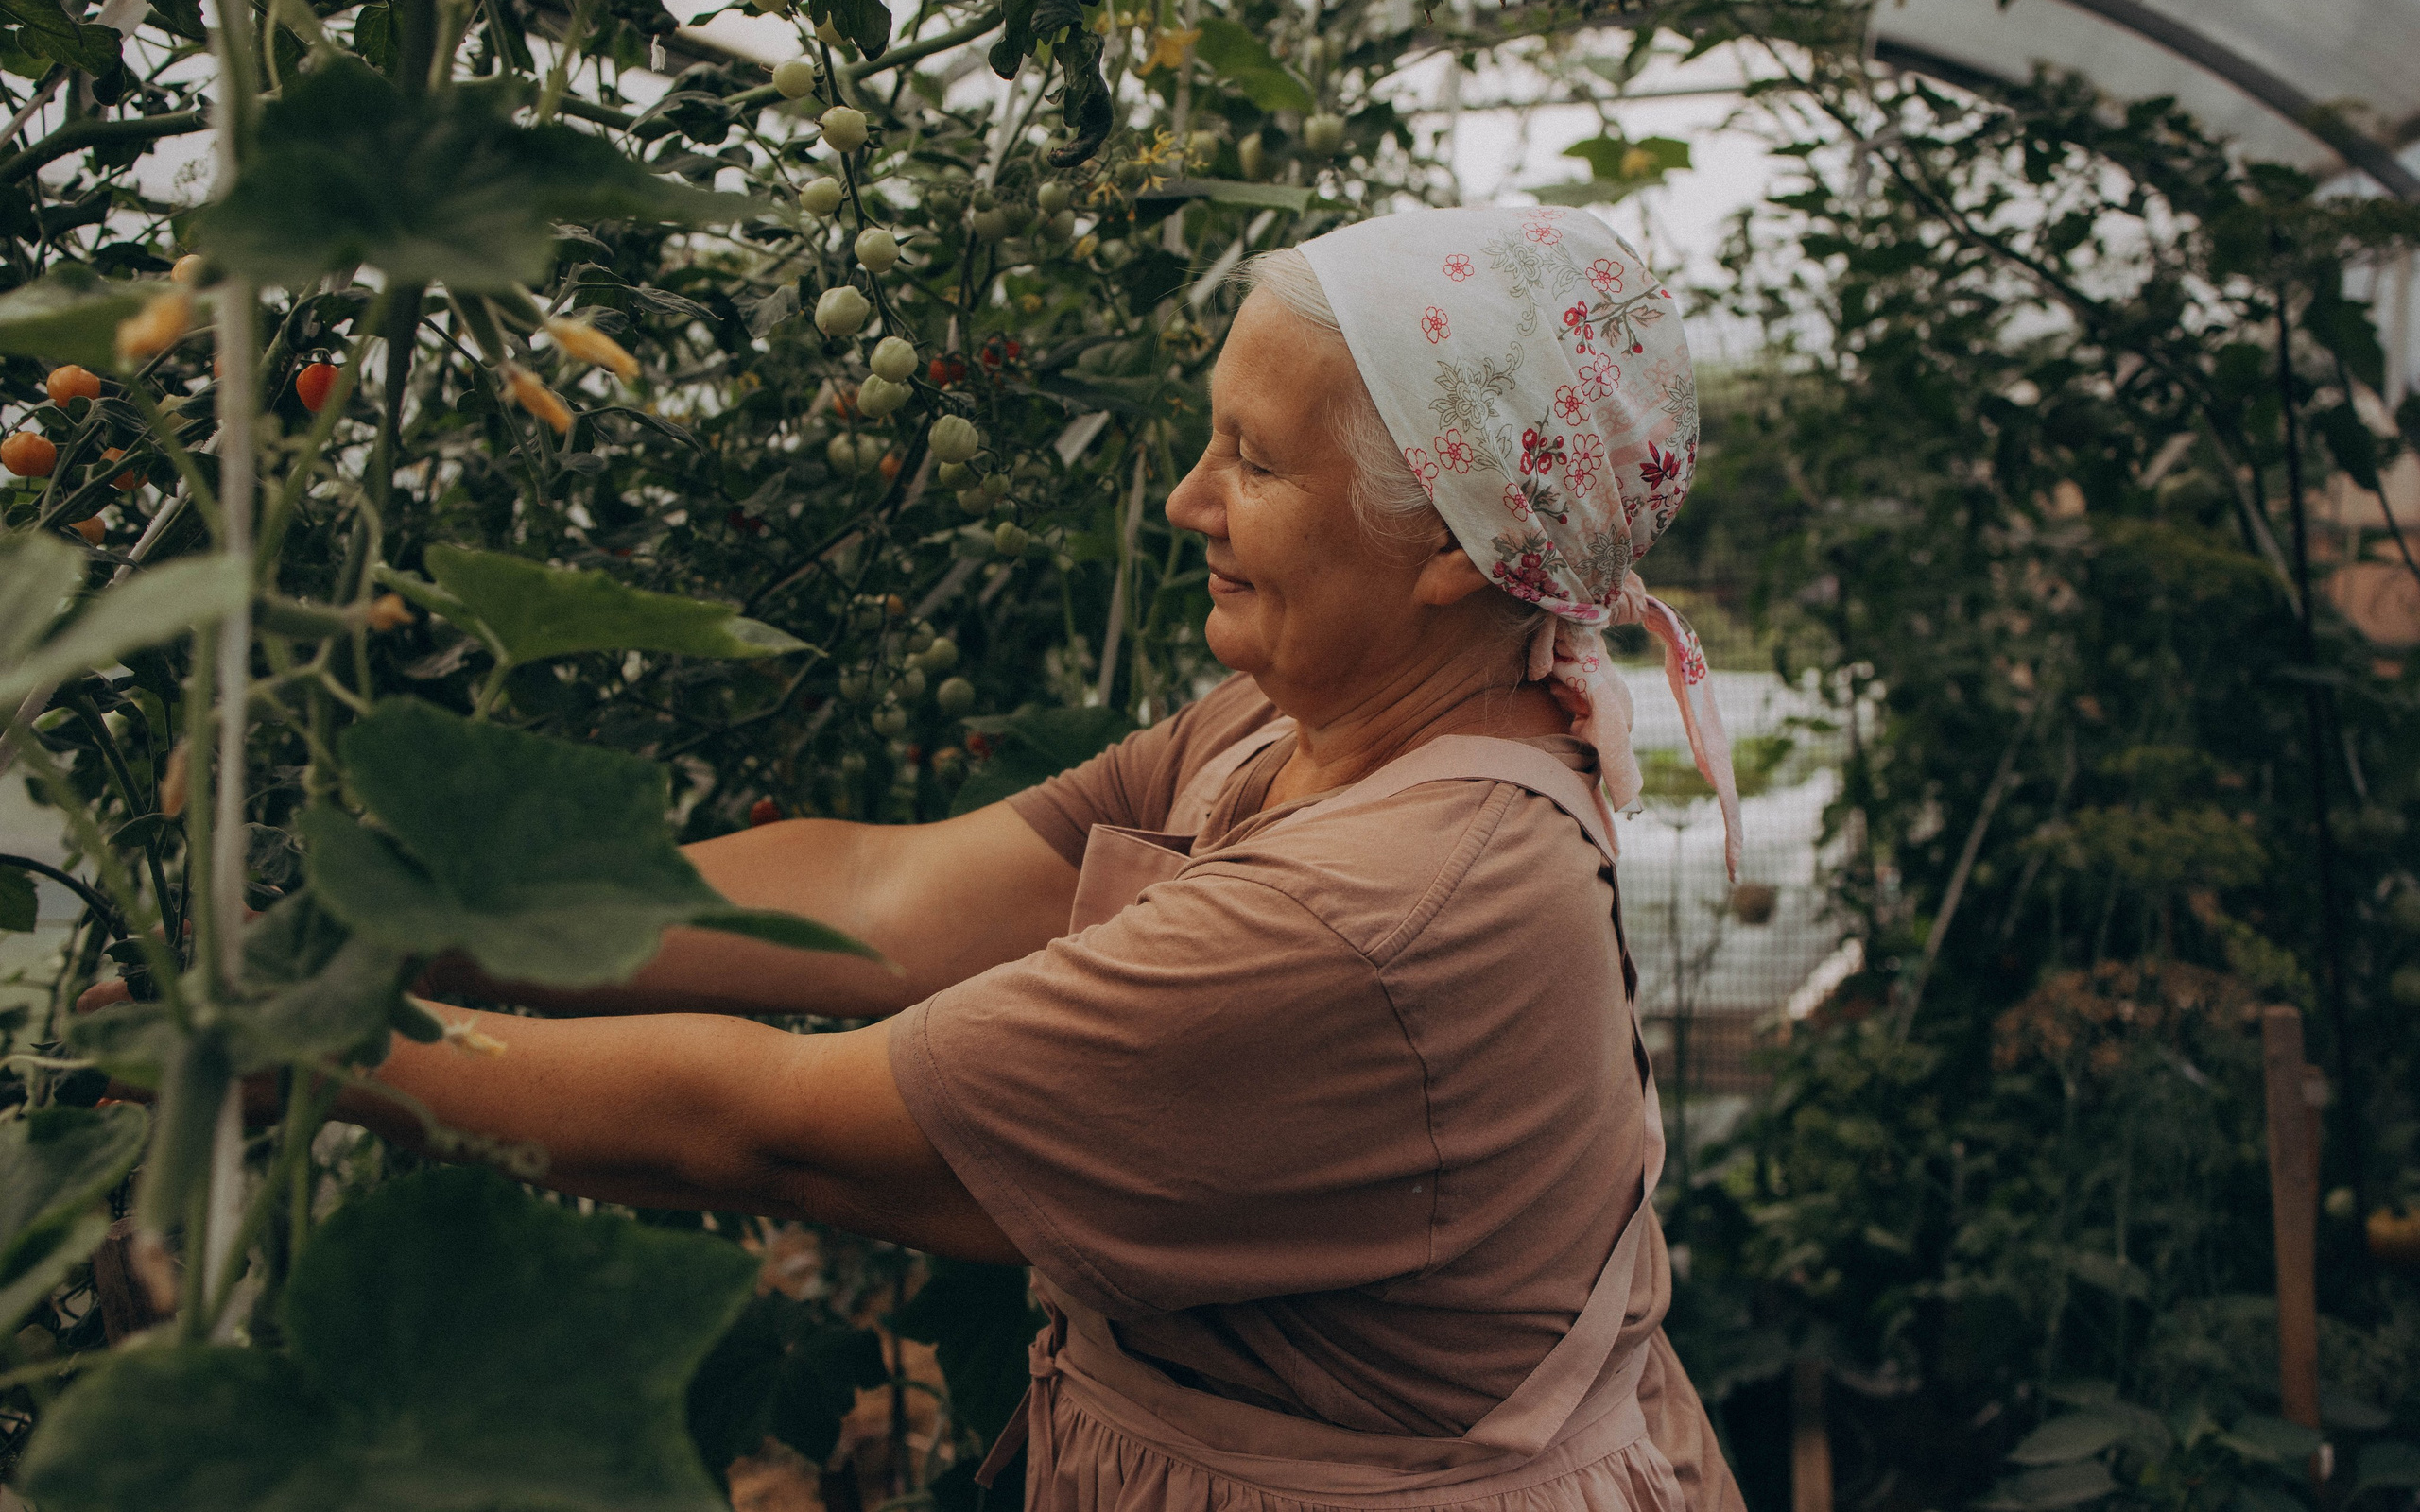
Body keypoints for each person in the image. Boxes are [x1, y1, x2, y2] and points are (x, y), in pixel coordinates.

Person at [178, 206, 1751, 1511]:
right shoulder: (1289, 730)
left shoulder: (1382, 916)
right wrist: (405, 912)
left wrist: (275, 1042)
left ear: (1456, 552)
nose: (1188, 501)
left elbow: (772, 1129)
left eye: (1255, 463)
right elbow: (878, 896)